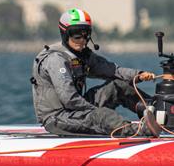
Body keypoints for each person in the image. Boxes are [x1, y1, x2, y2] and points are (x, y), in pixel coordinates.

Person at [31, 8, 157, 136]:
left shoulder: (83, 55)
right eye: (76, 34)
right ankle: (141, 131)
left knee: (119, 86)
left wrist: (139, 75)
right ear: (65, 34)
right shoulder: (55, 59)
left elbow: (113, 70)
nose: (82, 39)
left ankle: (157, 113)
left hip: (77, 110)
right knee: (101, 115)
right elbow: (69, 99)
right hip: (58, 118)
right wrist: (97, 111)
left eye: (86, 34)